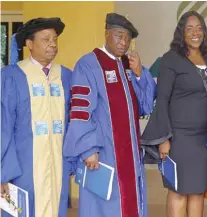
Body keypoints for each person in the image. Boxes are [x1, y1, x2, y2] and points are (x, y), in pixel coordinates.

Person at [63, 13, 155, 217]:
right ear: (106, 34)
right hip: (103, 152)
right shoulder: (89, 64)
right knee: (104, 205)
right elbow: (80, 109)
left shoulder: (128, 66)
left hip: (130, 154)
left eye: (128, 39)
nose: (123, 42)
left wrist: (139, 73)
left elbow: (146, 106)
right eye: (119, 36)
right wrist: (88, 148)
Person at [140, 11, 207, 217]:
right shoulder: (170, 59)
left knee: (198, 191)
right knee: (178, 190)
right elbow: (162, 98)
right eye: (189, 28)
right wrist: (164, 138)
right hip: (179, 138)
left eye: (199, 28)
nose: (195, 33)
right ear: (181, 32)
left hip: (204, 140)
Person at [1, 17, 72, 217]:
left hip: (57, 163)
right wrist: (3, 173)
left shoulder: (65, 76)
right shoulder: (12, 76)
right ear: (30, 44)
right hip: (22, 166)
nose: (52, 44)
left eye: (55, 39)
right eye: (46, 39)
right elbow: (3, 125)